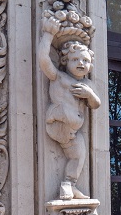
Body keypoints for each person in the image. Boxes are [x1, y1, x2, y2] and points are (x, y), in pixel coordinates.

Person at [38, 15, 101, 200]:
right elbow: (44, 60)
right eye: (76, 60)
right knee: (71, 116)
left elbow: (96, 104)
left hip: (71, 133)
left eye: (85, 61)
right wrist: (48, 35)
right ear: (65, 61)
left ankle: (68, 185)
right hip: (57, 121)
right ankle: (58, 114)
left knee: (79, 156)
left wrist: (89, 95)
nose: (81, 63)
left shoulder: (88, 84)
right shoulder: (60, 77)